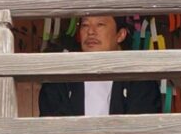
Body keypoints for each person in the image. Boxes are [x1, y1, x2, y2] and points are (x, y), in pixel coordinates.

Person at [36, 13, 167, 116]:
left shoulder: (140, 79)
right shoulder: (60, 78)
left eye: (100, 24)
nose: (90, 32)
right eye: (85, 25)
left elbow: (141, 128)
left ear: (120, 35)